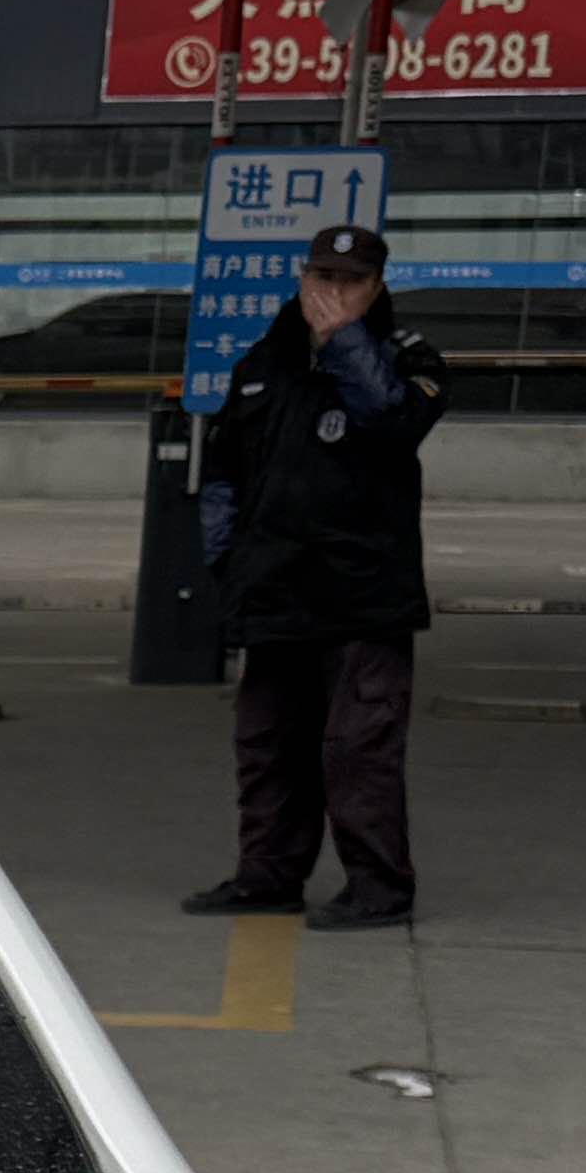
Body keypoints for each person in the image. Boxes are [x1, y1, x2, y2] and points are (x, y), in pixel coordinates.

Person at [181, 223, 443, 931]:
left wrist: (346, 343)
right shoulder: (264, 361)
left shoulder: (408, 358)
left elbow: (390, 419)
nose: (333, 293)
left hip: (363, 598)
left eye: (351, 282)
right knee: (269, 748)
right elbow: (225, 472)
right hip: (275, 590)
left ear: (377, 288)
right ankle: (267, 877)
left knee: (359, 750)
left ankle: (379, 888)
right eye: (322, 278)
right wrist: (227, 560)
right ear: (301, 278)